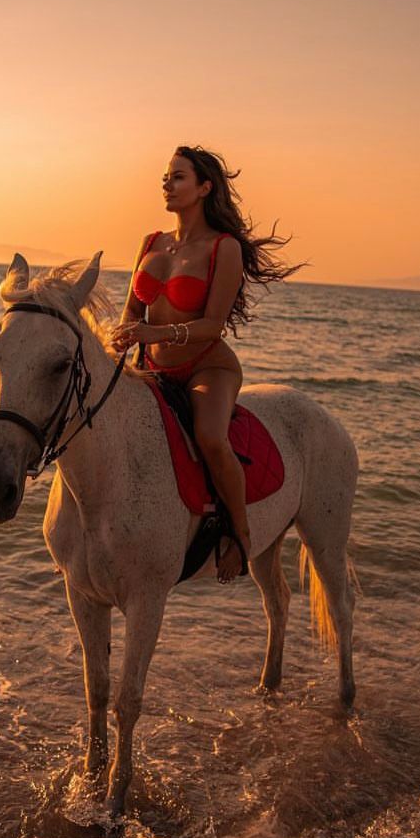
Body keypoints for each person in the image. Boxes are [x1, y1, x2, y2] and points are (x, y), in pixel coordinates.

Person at [110, 145, 304, 584]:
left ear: (204, 188)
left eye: (178, 177)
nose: (167, 183)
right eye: (165, 176)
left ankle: (240, 535)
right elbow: (132, 313)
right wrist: (121, 338)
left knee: (211, 438)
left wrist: (157, 334)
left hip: (207, 367)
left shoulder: (223, 248)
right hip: (151, 366)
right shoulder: (151, 242)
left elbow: (213, 326)